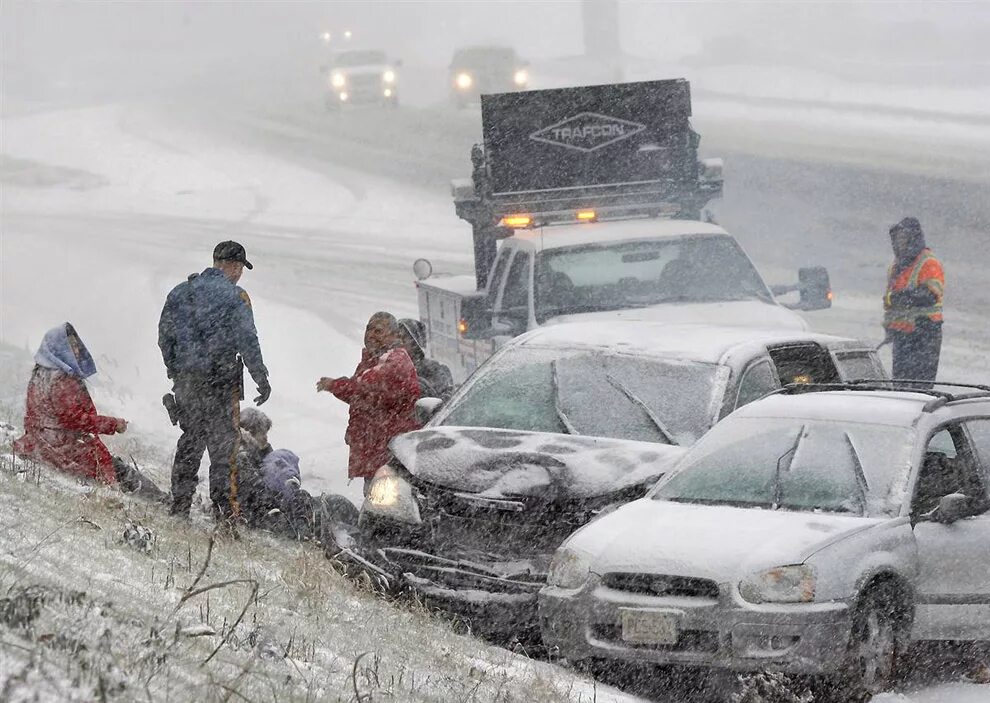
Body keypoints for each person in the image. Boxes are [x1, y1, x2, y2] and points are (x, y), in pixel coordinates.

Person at [158, 241, 271, 521]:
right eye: (240, 268)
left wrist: (176, 371)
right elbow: (247, 339)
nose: (240, 274)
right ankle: (223, 515)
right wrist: (261, 377)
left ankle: (180, 505)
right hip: (221, 383)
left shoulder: (180, 292)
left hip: (187, 382)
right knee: (223, 450)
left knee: (191, 441)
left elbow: (164, 337)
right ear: (233, 266)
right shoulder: (236, 297)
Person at [13, 323, 166, 501]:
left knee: (119, 470)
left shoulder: (40, 375)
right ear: (59, 348)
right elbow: (74, 419)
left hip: (42, 444)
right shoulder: (62, 380)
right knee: (122, 472)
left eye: (77, 346)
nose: (76, 351)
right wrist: (113, 424)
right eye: (71, 346)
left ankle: (160, 499)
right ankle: (162, 502)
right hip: (66, 449)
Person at [317, 312, 421, 495]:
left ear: (394, 336)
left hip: (388, 454)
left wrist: (336, 385)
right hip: (374, 453)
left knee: (385, 509)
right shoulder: (373, 359)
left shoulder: (397, 359)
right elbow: (361, 395)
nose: (371, 334)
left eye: (378, 330)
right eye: (368, 329)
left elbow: (368, 387)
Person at [237, 407, 358, 539]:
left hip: (287, 508)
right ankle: (358, 541)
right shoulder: (242, 458)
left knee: (338, 502)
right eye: (263, 433)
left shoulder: (257, 453)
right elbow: (262, 495)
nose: (266, 438)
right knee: (329, 510)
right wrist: (294, 497)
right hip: (276, 515)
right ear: (250, 433)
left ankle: (364, 536)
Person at [883, 217, 944, 384]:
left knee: (920, 386)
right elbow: (891, 304)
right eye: (897, 238)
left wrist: (901, 297)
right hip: (901, 337)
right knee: (901, 385)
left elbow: (930, 296)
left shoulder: (929, 263)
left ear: (913, 238)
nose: (899, 242)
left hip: (924, 334)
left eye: (903, 238)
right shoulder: (895, 266)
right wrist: (890, 328)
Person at [397, 318, 455, 401]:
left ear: (415, 342)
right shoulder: (388, 370)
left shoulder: (436, 370)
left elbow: (446, 404)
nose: (399, 342)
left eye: (403, 338)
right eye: (396, 337)